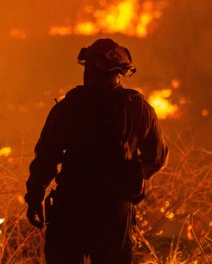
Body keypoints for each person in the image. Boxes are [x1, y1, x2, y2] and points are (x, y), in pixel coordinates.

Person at [24, 38, 168, 264]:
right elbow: (157, 156)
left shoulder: (69, 107)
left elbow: (46, 157)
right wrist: (135, 179)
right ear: (121, 72)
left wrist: (34, 196)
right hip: (114, 211)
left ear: (89, 68)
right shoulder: (137, 107)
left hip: (71, 209)